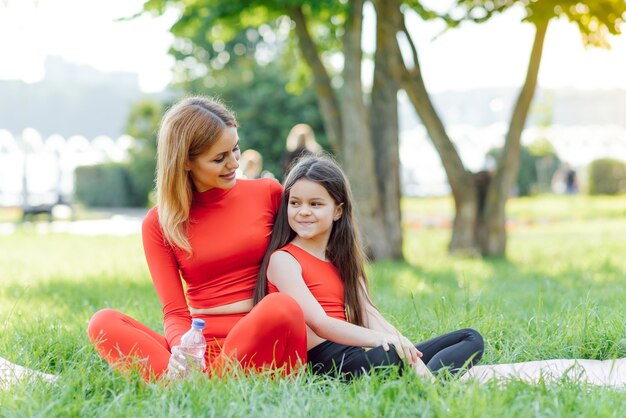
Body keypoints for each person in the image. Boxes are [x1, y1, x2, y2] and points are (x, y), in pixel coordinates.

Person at [87, 96, 307, 383]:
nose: (234, 163)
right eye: (219, 158)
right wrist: (182, 352)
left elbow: (309, 262)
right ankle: (193, 381)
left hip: (262, 337)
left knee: (283, 306)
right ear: (186, 162)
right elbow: (175, 313)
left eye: (235, 148)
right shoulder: (159, 223)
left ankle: (189, 387)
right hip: (199, 348)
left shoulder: (268, 193)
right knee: (102, 323)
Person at [254, 154, 484, 380]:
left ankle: (427, 381)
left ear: (338, 210)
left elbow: (368, 313)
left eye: (315, 204)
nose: (303, 211)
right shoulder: (284, 260)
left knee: (471, 338)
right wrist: (380, 341)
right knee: (392, 355)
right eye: (295, 203)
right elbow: (320, 324)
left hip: (356, 355)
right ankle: (429, 383)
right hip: (324, 364)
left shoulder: (341, 260)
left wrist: (401, 342)